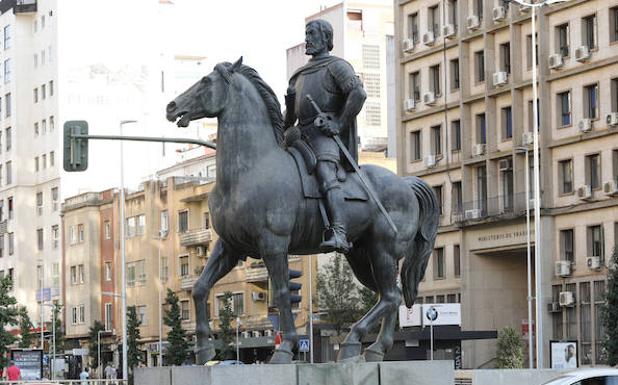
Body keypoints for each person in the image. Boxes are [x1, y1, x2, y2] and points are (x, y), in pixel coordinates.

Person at [284, 19, 367, 253]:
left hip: (323, 135)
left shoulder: (337, 66)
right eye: (306, 34)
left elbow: (358, 93)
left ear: (326, 38)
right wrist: (289, 104)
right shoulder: (298, 75)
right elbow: (288, 120)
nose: (307, 39)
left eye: (311, 34)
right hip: (299, 135)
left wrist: (339, 123)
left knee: (325, 173)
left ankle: (339, 231)